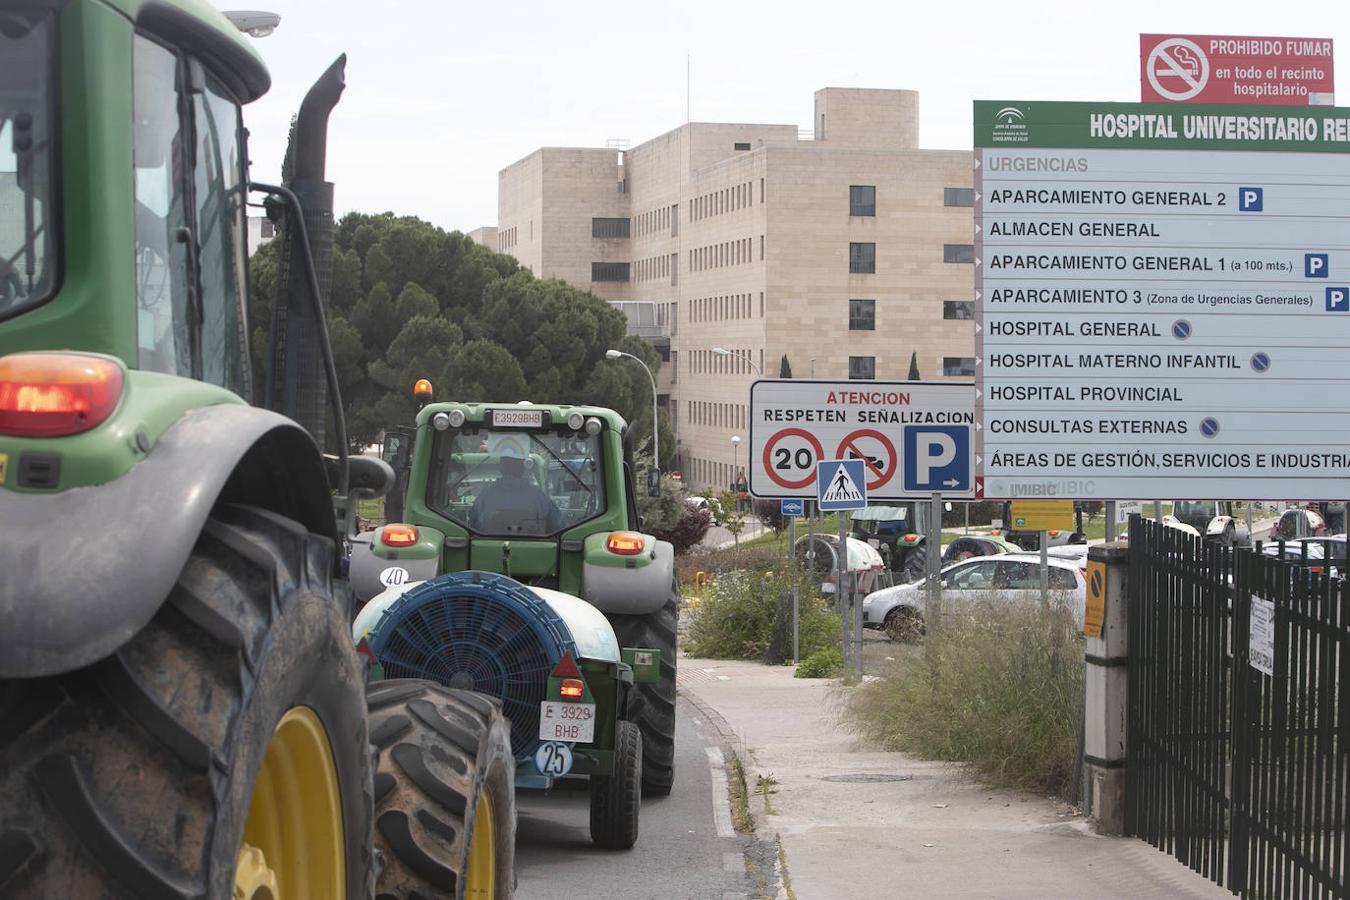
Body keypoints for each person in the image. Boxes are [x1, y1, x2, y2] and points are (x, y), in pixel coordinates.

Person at [470, 439, 563, 535]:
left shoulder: (485, 496)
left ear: (501, 467)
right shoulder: (539, 497)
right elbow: (558, 528)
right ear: (522, 467)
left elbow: (472, 527)